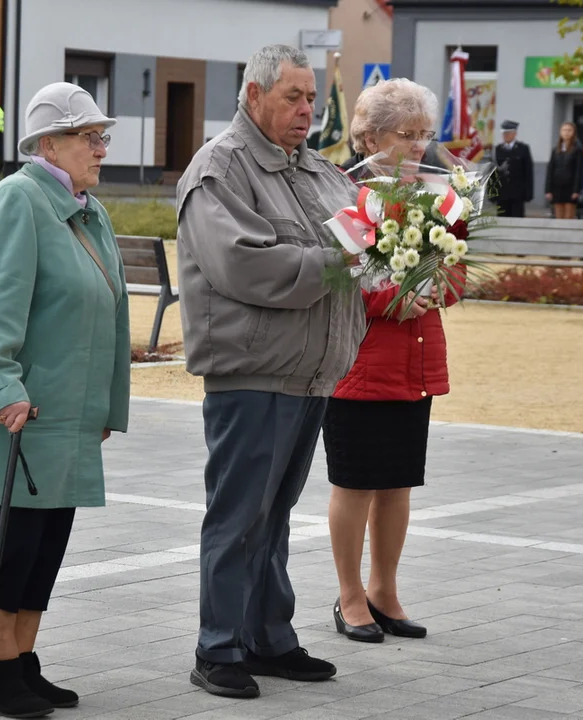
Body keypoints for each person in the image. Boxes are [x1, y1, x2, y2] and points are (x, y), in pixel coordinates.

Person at [0, 82, 130, 718]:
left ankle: (22, 664)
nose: (101, 148)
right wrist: (0, 389)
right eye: (90, 137)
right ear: (49, 144)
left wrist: (104, 410)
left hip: (60, 418)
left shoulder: (87, 209)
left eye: (102, 136)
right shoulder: (18, 200)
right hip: (7, 418)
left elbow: (108, 319)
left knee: (39, 549)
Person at [175, 44, 364, 700]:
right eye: (293, 97)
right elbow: (244, 266)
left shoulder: (316, 171)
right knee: (237, 516)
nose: (307, 110)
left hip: (310, 373)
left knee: (274, 514)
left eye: (310, 98)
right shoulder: (220, 170)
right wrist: (340, 261)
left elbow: (366, 236)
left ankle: (267, 637)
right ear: (252, 96)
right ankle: (218, 647)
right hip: (251, 372)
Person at [323, 78, 464, 646]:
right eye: (405, 134)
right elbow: (346, 279)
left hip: (414, 362)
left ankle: (385, 589)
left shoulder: (435, 195)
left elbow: (454, 270)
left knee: (399, 484)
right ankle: (349, 594)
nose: (417, 146)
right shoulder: (343, 195)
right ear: (368, 136)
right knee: (355, 484)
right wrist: (400, 295)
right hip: (360, 364)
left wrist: (439, 284)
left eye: (425, 135)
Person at [494, 119, 534, 218]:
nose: (505, 136)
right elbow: (493, 172)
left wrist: (528, 193)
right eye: (504, 133)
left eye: (508, 133)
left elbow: (528, 172)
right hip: (502, 192)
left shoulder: (523, 148)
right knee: (501, 220)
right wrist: (492, 192)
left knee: (517, 218)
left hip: (517, 193)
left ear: (515, 133)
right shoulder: (498, 149)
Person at [545, 122, 583, 219]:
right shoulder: (556, 149)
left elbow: (578, 170)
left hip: (570, 187)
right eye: (564, 130)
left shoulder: (577, 149)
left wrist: (576, 190)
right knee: (559, 216)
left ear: (574, 132)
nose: (566, 133)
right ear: (560, 132)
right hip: (557, 186)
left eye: (569, 130)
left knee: (569, 216)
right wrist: (548, 190)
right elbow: (550, 169)